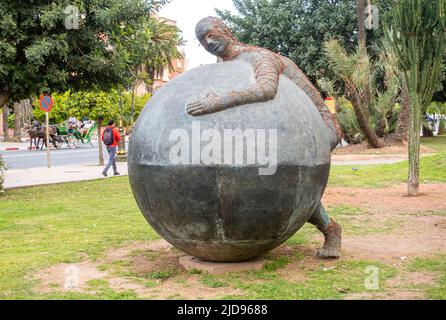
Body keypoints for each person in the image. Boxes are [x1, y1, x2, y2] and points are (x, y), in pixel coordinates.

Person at [187, 17, 343, 259]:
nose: (207, 42)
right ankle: (328, 228)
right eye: (201, 40)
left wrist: (216, 102)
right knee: (282, 181)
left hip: (317, 128)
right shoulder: (225, 64)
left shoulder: (258, 57)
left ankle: (331, 230)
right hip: (278, 127)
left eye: (210, 34)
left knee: (292, 183)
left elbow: (266, 89)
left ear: (226, 30)